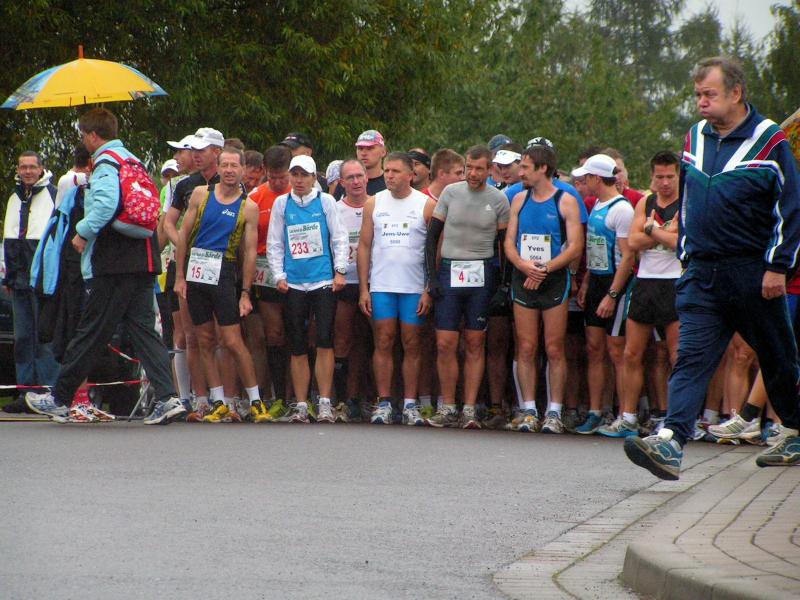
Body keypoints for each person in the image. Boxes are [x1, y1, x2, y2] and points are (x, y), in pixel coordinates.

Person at [625, 56, 800, 479]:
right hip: (702, 274)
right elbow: (687, 200)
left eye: (710, 94)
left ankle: (795, 429)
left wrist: (778, 266)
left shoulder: (769, 140)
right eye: (698, 94)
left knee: (777, 358)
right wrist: (686, 250)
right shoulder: (694, 137)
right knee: (691, 357)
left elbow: (792, 207)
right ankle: (671, 442)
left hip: (752, 273)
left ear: (736, 93)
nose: (701, 102)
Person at [25, 108, 184, 424]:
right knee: (143, 331)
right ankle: (167, 398)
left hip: (114, 262)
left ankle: (59, 398)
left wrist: (83, 232)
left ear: (94, 136)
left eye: (84, 135)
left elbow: (106, 204)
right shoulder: (132, 160)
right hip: (142, 256)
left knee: (91, 331)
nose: (84, 140)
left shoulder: (106, 163)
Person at [174, 146, 266, 423]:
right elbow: (183, 235)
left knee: (232, 340)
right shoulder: (201, 195)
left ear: (242, 170)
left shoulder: (248, 207)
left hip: (224, 271)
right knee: (204, 339)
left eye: (234, 166)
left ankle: (256, 400)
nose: (228, 170)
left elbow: (249, 252)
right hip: (196, 270)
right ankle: (218, 401)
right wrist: (179, 277)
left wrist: (246, 292)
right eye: (224, 165)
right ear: (218, 166)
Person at [425, 145, 510, 428]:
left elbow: (504, 246)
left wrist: (503, 285)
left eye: (478, 169)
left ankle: (470, 408)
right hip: (450, 270)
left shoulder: (498, 199)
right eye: (468, 169)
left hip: (481, 273)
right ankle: (448, 406)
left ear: (489, 170)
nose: (472, 174)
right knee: (445, 342)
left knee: (475, 342)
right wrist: (432, 277)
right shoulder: (451, 193)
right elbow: (432, 237)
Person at [598, 151, 681, 438]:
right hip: (645, 283)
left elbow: (680, 242)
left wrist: (651, 230)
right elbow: (633, 242)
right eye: (660, 177)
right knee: (631, 353)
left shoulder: (686, 203)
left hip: (674, 283)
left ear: (678, 176)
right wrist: (661, 231)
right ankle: (628, 417)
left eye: (670, 176)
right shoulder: (645, 202)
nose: (665, 182)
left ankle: (675, 420)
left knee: (676, 356)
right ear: (652, 177)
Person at [504, 145, 584, 433]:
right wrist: (523, 266)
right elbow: (509, 242)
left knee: (554, 347)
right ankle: (528, 409)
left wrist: (545, 269)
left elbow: (575, 246)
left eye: (526, 167)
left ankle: (554, 411)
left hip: (553, 278)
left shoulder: (566, 200)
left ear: (542, 169)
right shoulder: (519, 199)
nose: (520, 172)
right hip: (524, 276)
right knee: (526, 346)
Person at [266, 155, 349, 423]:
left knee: (324, 338)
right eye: (295, 175)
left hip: (322, 280)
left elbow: (339, 236)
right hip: (294, 282)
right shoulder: (282, 203)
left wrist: (340, 270)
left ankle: (324, 402)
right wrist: (278, 275)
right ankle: (301, 404)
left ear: (314, 178)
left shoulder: (325, 202)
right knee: (297, 343)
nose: (299, 180)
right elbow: (275, 242)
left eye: (304, 175)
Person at [357, 152, 435, 425]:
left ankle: (411, 403)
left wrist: (428, 289)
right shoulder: (373, 203)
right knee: (383, 341)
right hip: (382, 285)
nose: (389, 175)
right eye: (387, 170)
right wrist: (364, 289)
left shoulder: (426, 205)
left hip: (413, 287)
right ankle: (384, 402)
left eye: (395, 171)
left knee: (412, 344)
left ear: (410, 175)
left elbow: (435, 251)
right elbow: (364, 246)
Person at [164, 127, 224, 418]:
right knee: (192, 335)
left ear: (217, 152)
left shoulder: (231, 182)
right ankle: (199, 398)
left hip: (221, 264)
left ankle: (224, 397)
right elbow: (168, 223)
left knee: (220, 335)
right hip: (188, 264)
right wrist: (182, 246)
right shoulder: (184, 185)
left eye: (202, 150)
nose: (196, 155)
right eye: (194, 150)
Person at [573, 154, 635, 435]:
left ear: (597, 179)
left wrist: (612, 294)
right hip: (596, 280)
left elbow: (628, 256)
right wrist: (587, 282)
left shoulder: (621, 209)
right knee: (594, 348)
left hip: (616, 284)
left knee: (617, 350)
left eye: (585, 178)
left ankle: (625, 415)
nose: (582, 183)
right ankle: (595, 411)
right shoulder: (597, 204)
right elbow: (593, 248)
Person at [3, 151, 60, 412]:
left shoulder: (53, 194)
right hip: (18, 279)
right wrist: (9, 276)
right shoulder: (14, 197)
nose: (27, 171)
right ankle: (25, 391)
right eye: (23, 167)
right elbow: (9, 239)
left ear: (41, 169)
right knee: (23, 337)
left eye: (31, 167)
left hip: (43, 278)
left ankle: (48, 390)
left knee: (44, 335)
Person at [248, 145, 292, 419]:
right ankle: (277, 396)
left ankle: (299, 396)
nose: (277, 182)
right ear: (265, 171)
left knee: (299, 333)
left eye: (282, 177)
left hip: (299, 270)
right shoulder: (255, 197)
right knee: (273, 334)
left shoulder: (303, 193)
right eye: (273, 177)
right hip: (266, 271)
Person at [333, 159, 371, 421]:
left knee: (371, 341)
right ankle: (342, 399)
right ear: (341, 182)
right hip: (345, 283)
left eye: (359, 176)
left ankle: (367, 398)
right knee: (343, 341)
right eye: (350, 177)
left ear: (367, 178)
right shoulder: (334, 209)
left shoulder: (378, 205)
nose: (356, 182)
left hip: (375, 282)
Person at [355, 130, 387, 194]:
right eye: (360, 148)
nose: (363, 153)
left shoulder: (391, 182)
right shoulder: (347, 182)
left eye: (370, 148)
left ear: (383, 152)